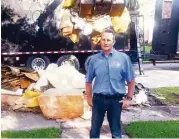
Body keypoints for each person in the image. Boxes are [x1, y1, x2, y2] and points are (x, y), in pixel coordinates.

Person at [85, 28, 136, 138]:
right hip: (98, 100)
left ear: (113, 42)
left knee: (116, 132)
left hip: (116, 100)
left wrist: (129, 98)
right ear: (100, 41)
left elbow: (131, 80)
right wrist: (89, 97)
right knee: (94, 130)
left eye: (108, 40)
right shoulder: (94, 60)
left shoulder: (123, 58)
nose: (105, 42)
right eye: (103, 39)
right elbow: (88, 81)